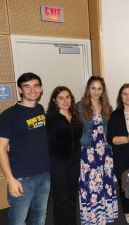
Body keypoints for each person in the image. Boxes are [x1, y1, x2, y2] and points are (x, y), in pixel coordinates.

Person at [0, 72, 50, 225]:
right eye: (27, 86)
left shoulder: (40, 109)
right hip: (21, 177)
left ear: (41, 89)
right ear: (20, 90)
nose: (32, 90)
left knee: (40, 216)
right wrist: (10, 179)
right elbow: (0, 148)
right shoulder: (8, 115)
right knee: (18, 220)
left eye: (36, 86)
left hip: (44, 174)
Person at [77, 76, 118, 224]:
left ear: (103, 90)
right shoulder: (80, 107)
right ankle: (91, 218)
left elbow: (109, 131)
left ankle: (104, 216)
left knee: (105, 183)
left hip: (105, 152)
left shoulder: (108, 108)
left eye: (99, 88)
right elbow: (77, 130)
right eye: (93, 88)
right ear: (88, 89)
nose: (96, 91)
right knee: (91, 185)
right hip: (88, 152)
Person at [46, 86, 83, 225]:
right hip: (57, 164)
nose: (65, 100)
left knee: (72, 197)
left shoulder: (75, 116)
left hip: (74, 162)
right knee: (61, 199)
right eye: (60, 98)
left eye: (67, 97)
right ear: (55, 100)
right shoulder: (49, 118)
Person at [107, 83, 129, 225]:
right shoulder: (115, 115)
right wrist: (126, 138)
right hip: (122, 155)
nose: (128, 96)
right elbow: (111, 139)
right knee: (125, 184)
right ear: (120, 97)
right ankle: (127, 210)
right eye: (124, 93)